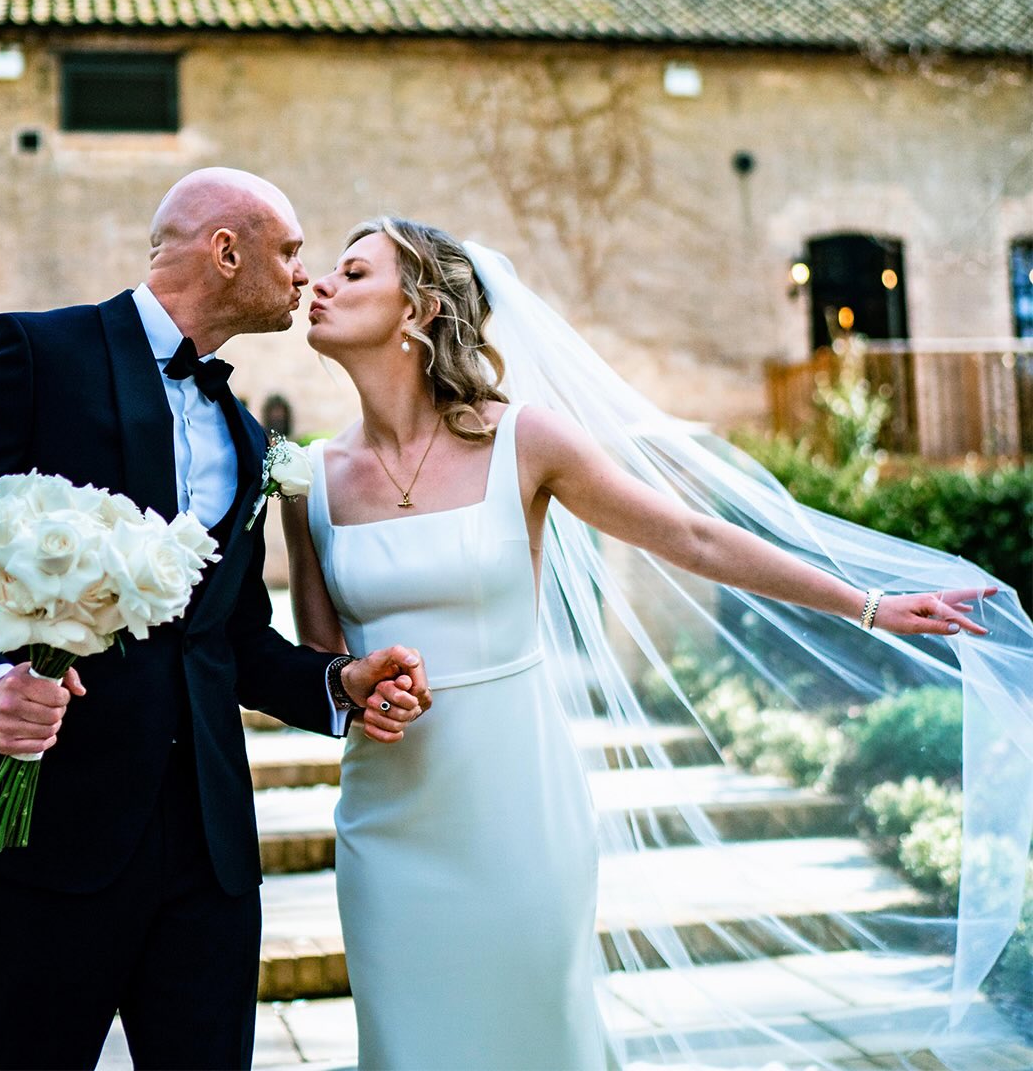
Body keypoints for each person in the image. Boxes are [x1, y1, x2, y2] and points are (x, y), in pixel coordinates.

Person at [283, 218, 1032, 1069]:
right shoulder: (308, 479)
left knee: (536, 1032)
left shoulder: (525, 441)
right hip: (388, 816)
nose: (320, 285)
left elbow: (692, 538)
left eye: (350, 272)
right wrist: (360, 686)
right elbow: (325, 662)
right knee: (408, 1042)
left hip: (515, 808)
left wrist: (867, 605)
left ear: (418, 308)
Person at [0, 170, 433, 1070]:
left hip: (209, 860)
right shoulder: (30, 353)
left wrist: (337, 684)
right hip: (45, 840)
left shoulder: (248, 440)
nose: (303, 276)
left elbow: (231, 639)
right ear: (226, 250)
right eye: (291, 252)